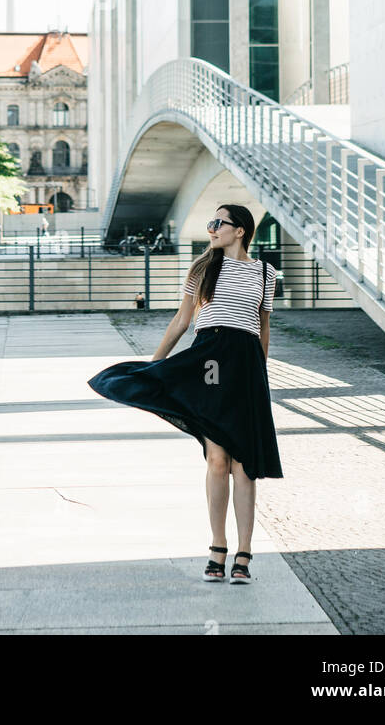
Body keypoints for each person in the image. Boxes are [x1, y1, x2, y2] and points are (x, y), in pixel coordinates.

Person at [87, 203, 282, 585]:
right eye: (210, 223)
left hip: (245, 366)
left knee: (245, 463)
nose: (211, 228)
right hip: (208, 360)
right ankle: (217, 547)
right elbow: (182, 319)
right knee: (217, 458)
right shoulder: (202, 268)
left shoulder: (264, 272)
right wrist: (154, 365)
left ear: (239, 230)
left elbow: (263, 326)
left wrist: (262, 373)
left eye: (218, 223)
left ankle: (244, 554)